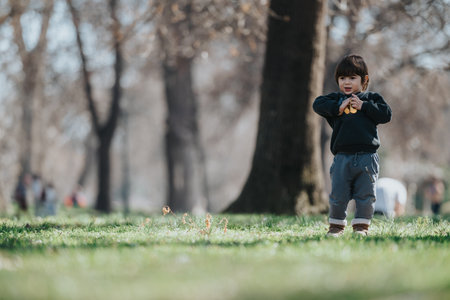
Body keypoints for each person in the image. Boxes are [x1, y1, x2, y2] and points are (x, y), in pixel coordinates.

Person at [313, 54, 392, 236]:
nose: (346, 82)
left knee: (366, 195)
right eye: (342, 78)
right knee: (338, 195)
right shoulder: (336, 100)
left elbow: (386, 114)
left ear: (364, 80)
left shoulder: (371, 98)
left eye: (352, 78)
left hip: (367, 158)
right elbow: (317, 104)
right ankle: (336, 227)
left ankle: (361, 227)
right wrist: (338, 108)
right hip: (342, 158)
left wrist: (364, 106)